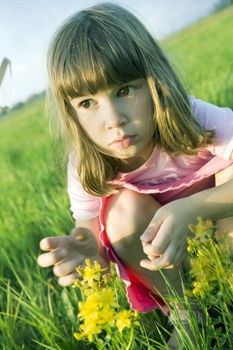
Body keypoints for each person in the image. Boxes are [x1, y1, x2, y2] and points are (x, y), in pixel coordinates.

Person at [37, 2, 233, 348]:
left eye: (125, 90)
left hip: (220, 237)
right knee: (120, 212)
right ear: (71, 113)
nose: (113, 119)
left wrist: (193, 208)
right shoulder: (84, 162)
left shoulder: (195, 118)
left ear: (153, 81)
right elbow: (87, 229)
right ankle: (188, 311)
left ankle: (227, 287)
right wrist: (85, 249)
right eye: (87, 103)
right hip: (168, 261)